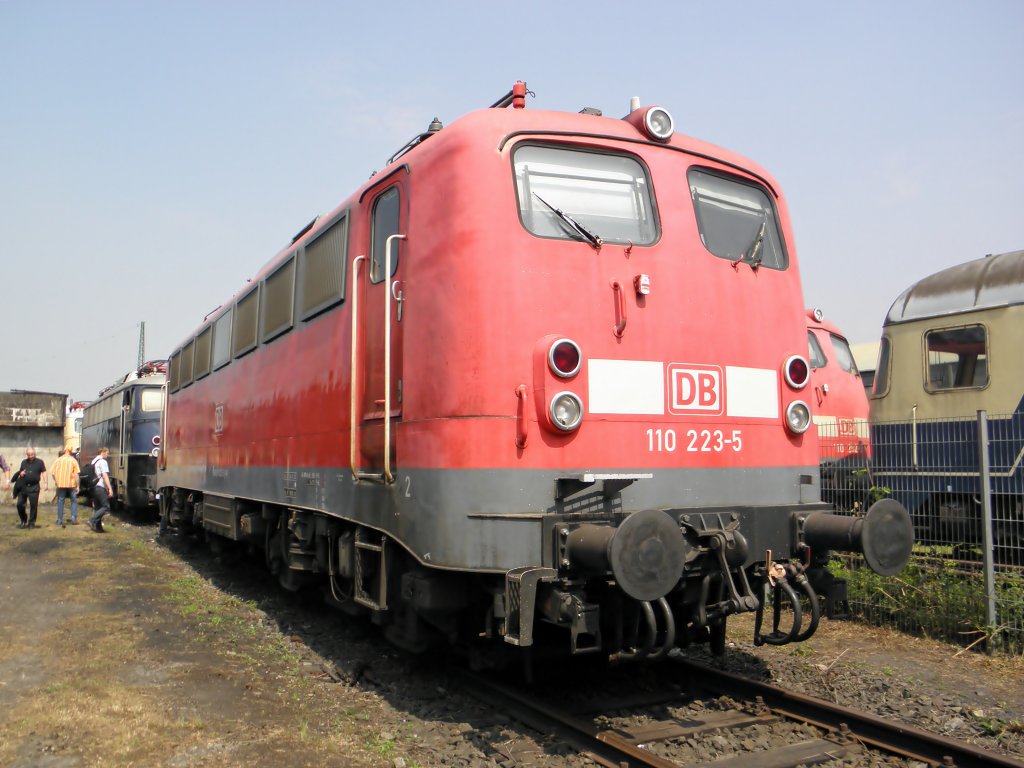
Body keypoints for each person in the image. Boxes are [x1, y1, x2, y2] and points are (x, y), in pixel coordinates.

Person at [15, 448, 48, 529]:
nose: (30, 456)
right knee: (19, 504)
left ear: (35, 453)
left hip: (34, 487)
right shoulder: (23, 462)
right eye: (29, 455)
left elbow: (44, 472)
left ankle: (32, 522)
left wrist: (46, 483)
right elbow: (20, 472)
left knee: (33, 506)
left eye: (32, 454)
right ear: (27, 455)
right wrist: (21, 473)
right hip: (23, 487)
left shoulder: (40, 462)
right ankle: (23, 520)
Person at [51, 447, 81, 528]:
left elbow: (53, 473)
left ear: (64, 451)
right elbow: (76, 474)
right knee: (73, 500)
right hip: (71, 484)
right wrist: (78, 486)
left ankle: (59, 519)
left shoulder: (58, 460)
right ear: (70, 451)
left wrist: (56, 481)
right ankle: (73, 518)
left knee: (61, 501)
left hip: (61, 484)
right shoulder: (73, 460)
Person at [88, 447, 113, 533]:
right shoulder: (103, 462)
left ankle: (98, 528)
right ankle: (92, 520)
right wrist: (109, 488)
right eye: (107, 453)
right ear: (103, 452)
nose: (108, 455)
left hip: (94, 487)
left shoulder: (94, 461)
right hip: (100, 486)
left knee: (98, 507)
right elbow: (104, 476)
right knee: (106, 507)